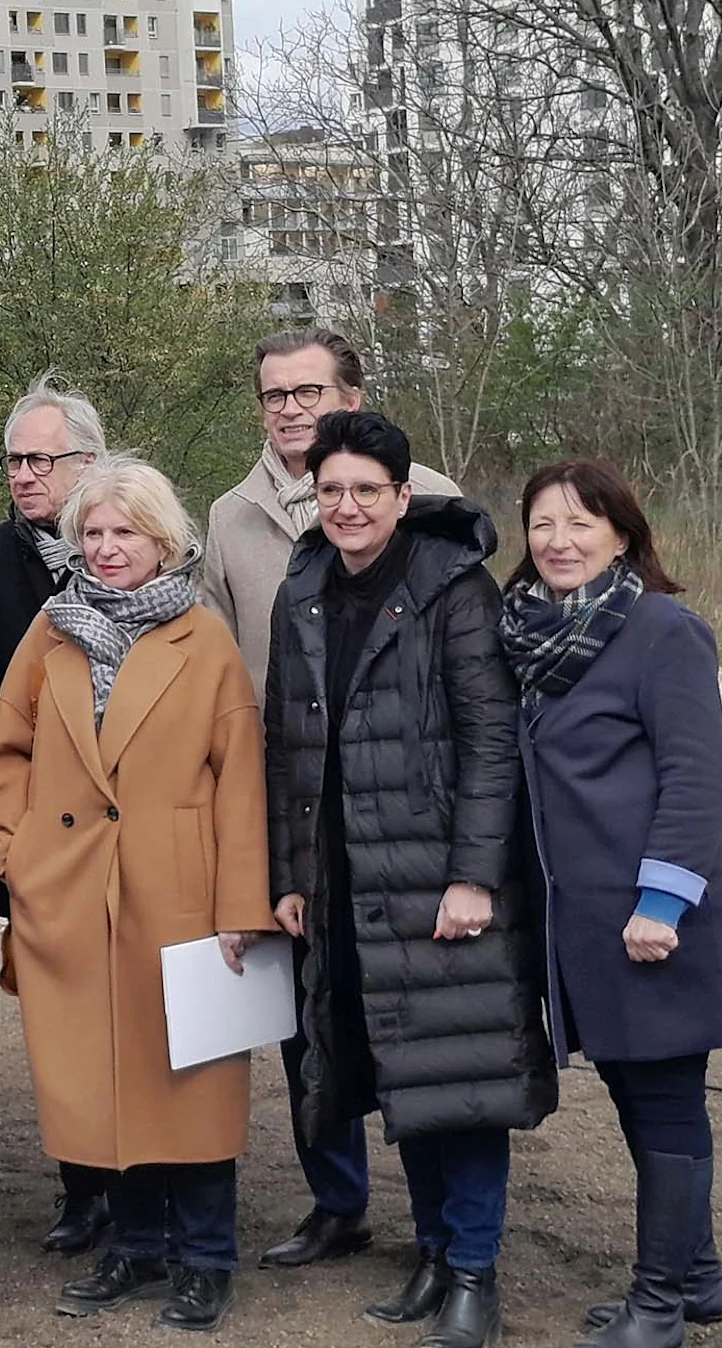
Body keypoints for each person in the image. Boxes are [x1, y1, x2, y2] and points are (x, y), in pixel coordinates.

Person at [264, 410, 556, 1348]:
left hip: (437, 878)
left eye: (365, 489)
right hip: (347, 879)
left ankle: (473, 1266)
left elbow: (490, 744)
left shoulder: (453, 589)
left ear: (401, 494)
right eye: (330, 489)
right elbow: (287, 745)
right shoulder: (301, 585)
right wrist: (293, 870)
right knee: (402, 1069)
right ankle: (432, 1251)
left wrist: (476, 875)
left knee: (460, 1076)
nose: (346, 506)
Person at [0, 456, 274, 1334]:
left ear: (163, 539)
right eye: (93, 534)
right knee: (106, 1080)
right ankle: (137, 1244)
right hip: (70, 892)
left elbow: (241, 782)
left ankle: (206, 1257)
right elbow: (5, 756)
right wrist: (20, 854)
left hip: (176, 890)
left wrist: (238, 906)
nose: (107, 549)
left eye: (125, 533)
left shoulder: (205, 636)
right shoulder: (49, 633)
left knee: (191, 1078)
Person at [202, 328, 459, 1271]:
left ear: (350, 391)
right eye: (274, 394)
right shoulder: (229, 518)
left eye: (309, 390)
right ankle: (336, 1199)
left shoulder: (428, 495)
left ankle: (441, 1226)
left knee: (414, 1019)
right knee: (310, 1015)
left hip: (404, 803)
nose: (290, 408)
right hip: (296, 797)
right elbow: (226, 679)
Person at [500, 460, 722, 1348]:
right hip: (578, 920)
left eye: (581, 522)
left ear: (622, 532)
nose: (559, 540)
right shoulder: (529, 634)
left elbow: (698, 778)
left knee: (663, 1099)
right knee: (636, 1089)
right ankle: (700, 1277)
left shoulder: (662, 630)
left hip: (653, 917)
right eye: (542, 523)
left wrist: (663, 900)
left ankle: (659, 1303)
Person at [0, 376, 116, 1258]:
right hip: (39, 847)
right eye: (13, 458)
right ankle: (83, 1185)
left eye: (40, 459)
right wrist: (7, 843)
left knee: (137, 1019)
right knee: (58, 1026)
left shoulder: (136, 546)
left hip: (131, 842)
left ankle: (151, 1183)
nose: (23, 474)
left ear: (87, 464)